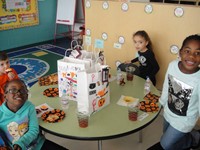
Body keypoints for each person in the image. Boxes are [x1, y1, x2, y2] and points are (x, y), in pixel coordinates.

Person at [147, 34, 200, 150]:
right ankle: (188, 138)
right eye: (187, 51)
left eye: (198, 53)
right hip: (168, 112)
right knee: (167, 137)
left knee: (166, 144)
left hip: (184, 120)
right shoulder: (172, 66)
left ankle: (193, 139)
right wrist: (160, 103)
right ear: (180, 53)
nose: (192, 56)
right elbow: (166, 87)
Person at [0, 79, 68, 150]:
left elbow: (34, 130)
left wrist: (21, 143)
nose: (18, 93)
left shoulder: (29, 107)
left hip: (38, 145)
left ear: (26, 95)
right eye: (13, 90)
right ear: (5, 96)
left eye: (23, 90)